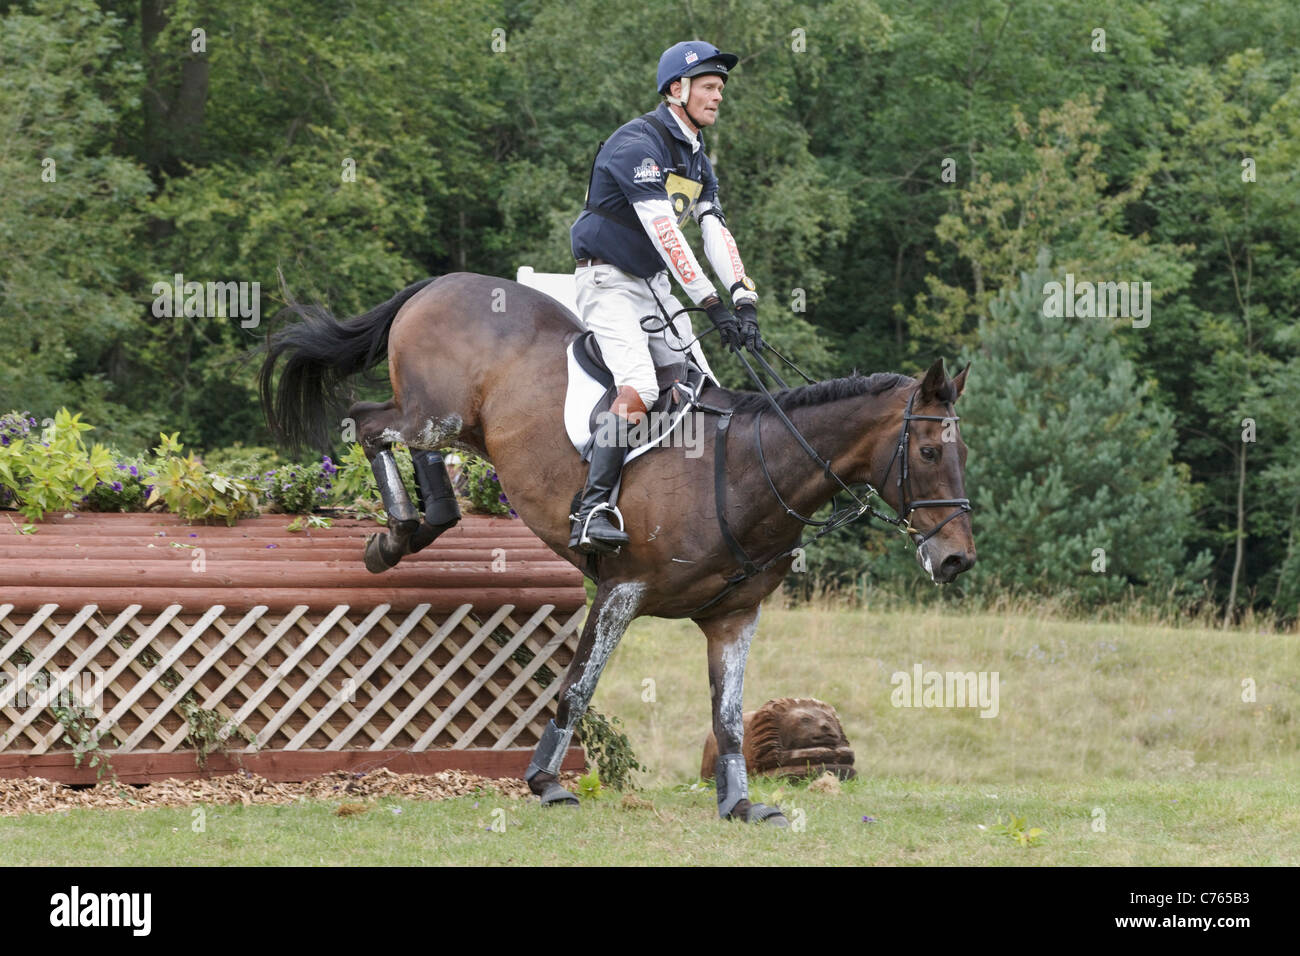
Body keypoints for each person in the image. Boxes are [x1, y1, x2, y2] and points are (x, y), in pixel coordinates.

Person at [567, 39, 763, 555]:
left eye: (721, 89)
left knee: (703, 388)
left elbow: (713, 230)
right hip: (608, 280)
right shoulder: (639, 143)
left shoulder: (697, 158)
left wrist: (742, 296)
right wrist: (710, 303)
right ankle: (591, 510)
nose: (718, 97)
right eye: (709, 87)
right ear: (677, 89)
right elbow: (664, 232)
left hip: (652, 287)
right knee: (642, 388)